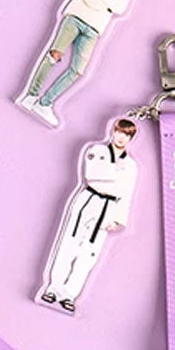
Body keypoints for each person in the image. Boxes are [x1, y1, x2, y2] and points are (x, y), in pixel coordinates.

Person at [18, 0, 135, 127]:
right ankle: (31, 95)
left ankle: (45, 103)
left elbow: (120, 8)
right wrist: (109, 1)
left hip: (95, 28)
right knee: (54, 55)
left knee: (77, 70)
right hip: (76, 16)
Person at [37, 118, 139, 313]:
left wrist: (118, 218)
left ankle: (69, 294)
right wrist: (114, 173)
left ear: (130, 138)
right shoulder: (96, 151)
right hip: (88, 200)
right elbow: (91, 175)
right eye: (119, 132)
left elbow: (126, 192)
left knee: (89, 253)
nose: (121, 137)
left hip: (108, 208)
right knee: (69, 244)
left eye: (126, 135)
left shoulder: (131, 165)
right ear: (113, 131)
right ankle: (53, 288)